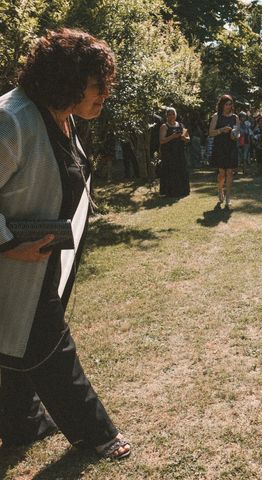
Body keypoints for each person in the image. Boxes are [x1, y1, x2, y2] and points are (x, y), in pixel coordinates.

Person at [0, 28, 130, 460]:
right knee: (49, 343)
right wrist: (7, 246)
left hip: (42, 263)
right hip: (15, 265)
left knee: (15, 341)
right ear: (69, 79)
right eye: (100, 86)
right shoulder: (11, 120)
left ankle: (23, 424)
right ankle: (96, 433)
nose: (105, 95)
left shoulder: (61, 113)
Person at [209, 95, 240, 208]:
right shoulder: (216, 116)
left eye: (230, 104)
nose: (228, 106)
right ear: (222, 105)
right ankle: (220, 189)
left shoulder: (235, 117)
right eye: (226, 104)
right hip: (220, 147)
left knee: (230, 172)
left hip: (231, 147)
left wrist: (235, 135)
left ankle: (228, 197)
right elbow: (211, 132)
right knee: (222, 173)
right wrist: (222, 130)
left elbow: (238, 132)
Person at [159, 107, 190, 197]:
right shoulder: (164, 126)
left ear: (176, 115)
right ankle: (170, 192)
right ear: (166, 116)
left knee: (181, 170)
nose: (171, 116)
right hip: (169, 153)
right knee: (170, 172)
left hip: (180, 152)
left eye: (173, 114)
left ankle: (182, 191)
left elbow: (188, 138)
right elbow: (161, 140)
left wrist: (184, 138)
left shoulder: (181, 125)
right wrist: (172, 137)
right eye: (169, 114)